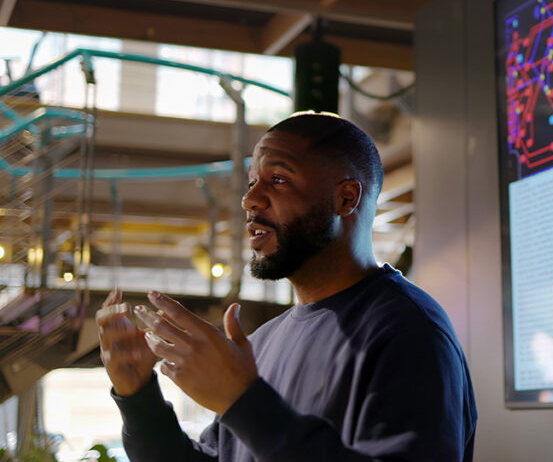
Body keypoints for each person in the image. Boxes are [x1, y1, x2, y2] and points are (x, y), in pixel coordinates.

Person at [95, 112, 477, 461]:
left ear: (345, 198)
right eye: (251, 183)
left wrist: (244, 402)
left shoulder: (410, 331)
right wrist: (139, 398)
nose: (249, 199)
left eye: (278, 180)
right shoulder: (262, 342)